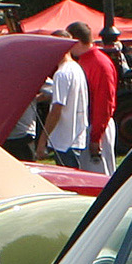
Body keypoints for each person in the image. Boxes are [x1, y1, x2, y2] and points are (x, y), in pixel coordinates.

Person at [68, 20, 118, 174]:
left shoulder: (98, 63)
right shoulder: (88, 60)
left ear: (76, 40)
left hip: (97, 126)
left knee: (100, 179)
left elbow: (104, 103)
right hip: (92, 126)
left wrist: (96, 137)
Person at [38, 38, 90, 170]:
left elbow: (57, 109)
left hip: (64, 140)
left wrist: (43, 139)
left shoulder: (61, 74)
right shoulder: (77, 68)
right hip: (76, 136)